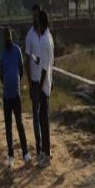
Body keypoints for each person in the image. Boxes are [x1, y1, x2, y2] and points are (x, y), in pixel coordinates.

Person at [0, 27, 30, 168]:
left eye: (9, 36)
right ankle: (11, 155)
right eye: (6, 37)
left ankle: (25, 153)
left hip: (16, 95)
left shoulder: (17, 50)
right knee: (8, 127)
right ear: (4, 39)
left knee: (20, 124)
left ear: (12, 37)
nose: (8, 39)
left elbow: (21, 69)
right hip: (6, 96)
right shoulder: (2, 56)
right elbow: (1, 75)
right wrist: (7, 83)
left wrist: (16, 81)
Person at [25, 4, 42, 156]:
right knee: (36, 116)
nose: (35, 18)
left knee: (44, 114)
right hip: (35, 82)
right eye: (33, 16)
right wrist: (30, 84)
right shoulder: (29, 36)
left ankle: (45, 146)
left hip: (44, 80)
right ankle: (39, 147)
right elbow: (27, 61)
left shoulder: (45, 33)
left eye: (37, 16)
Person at [38, 10, 54, 168]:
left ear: (41, 24)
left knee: (43, 121)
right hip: (48, 83)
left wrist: (39, 87)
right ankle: (45, 151)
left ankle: (47, 154)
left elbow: (44, 68)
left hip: (43, 86)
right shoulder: (49, 37)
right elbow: (51, 62)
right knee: (43, 119)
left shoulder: (43, 40)